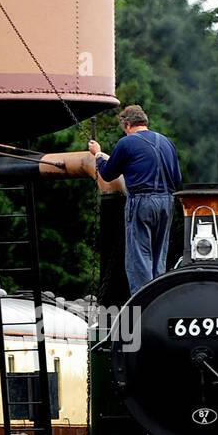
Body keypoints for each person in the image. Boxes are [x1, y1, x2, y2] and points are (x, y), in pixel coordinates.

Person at [88, 104, 182, 295]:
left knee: (139, 258)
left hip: (141, 201)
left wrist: (97, 154)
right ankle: (158, 301)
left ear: (128, 124)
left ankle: (143, 304)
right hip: (167, 202)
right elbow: (177, 179)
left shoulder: (126, 143)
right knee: (159, 257)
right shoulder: (166, 142)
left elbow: (107, 173)